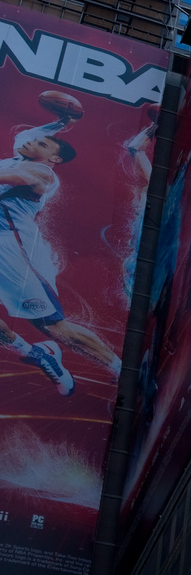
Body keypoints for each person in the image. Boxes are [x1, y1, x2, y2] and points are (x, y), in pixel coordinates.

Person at [0, 111, 123, 390]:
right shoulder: (25, 151)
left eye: (42, 145)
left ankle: (122, 371)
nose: (32, 143)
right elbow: (27, 136)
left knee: (53, 326)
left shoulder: (39, 171)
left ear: (54, 159)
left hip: (14, 251)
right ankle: (38, 355)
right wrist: (64, 121)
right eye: (35, 140)